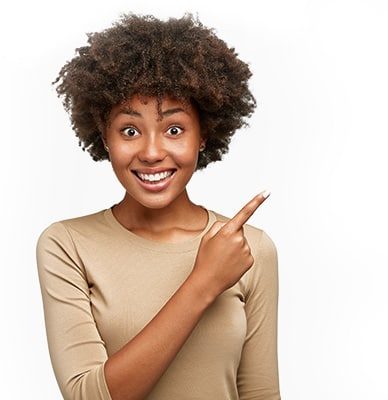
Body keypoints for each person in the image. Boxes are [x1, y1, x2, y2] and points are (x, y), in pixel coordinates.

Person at [36, 12, 281, 400]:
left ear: (204, 135)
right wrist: (204, 282)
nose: (151, 152)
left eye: (174, 129)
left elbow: (261, 393)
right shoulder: (67, 244)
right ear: (105, 137)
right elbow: (88, 396)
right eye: (130, 130)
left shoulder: (249, 247)